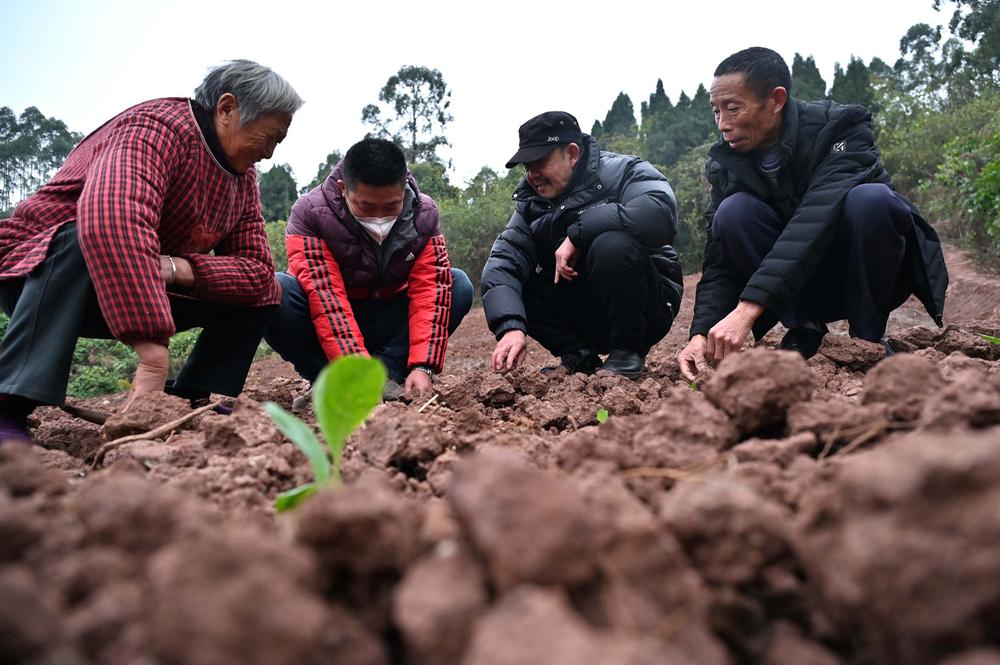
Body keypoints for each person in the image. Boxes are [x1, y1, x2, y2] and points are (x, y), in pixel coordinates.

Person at [0, 60, 303, 443]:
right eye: (271, 137)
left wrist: (176, 268)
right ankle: (9, 404)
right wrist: (152, 350)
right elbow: (111, 220)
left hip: (133, 285)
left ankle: (187, 397)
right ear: (227, 109)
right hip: (38, 276)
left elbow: (256, 271)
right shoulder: (155, 128)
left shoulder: (242, 179)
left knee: (265, 290)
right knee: (80, 235)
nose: (271, 153)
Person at [678, 47, 948, 381]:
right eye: (716, 110)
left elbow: (814, 218)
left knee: (873, 201)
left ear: (776, 100)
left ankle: (867, 337)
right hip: (796, 289)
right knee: (732, 213)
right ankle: (805, 328)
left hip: (865, 276)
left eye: (732, 108)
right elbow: (719, 260)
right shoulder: (726, 164)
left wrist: (748, 308)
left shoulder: (841, 129)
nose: (722, 123)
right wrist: (700, 332)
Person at [265, 138, 473, 398]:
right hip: (332, 314)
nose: (379, 217)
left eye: (391, 206)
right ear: (343, 189)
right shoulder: (311, 213)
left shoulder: (424, 214)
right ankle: (329, 379)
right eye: (365, 206)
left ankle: (387, 374)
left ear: (404, 189)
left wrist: (422, 366)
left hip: (389, 314)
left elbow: (432, 288)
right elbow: (326, 297)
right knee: (274, 289)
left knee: (457, 284)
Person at [481, 111, 683, 379]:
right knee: (516, 282)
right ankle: (580, 355)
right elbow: (501, 266)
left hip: (647, 307)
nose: (533, 176)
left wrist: (579, 233)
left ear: (572, 154)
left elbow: (659, 213)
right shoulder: (531, 205)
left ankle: (627, 353)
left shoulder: (623, 171)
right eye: (527, 168)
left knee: (611, 243)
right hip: (588, 309)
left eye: (539, 163)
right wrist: (510, 326)